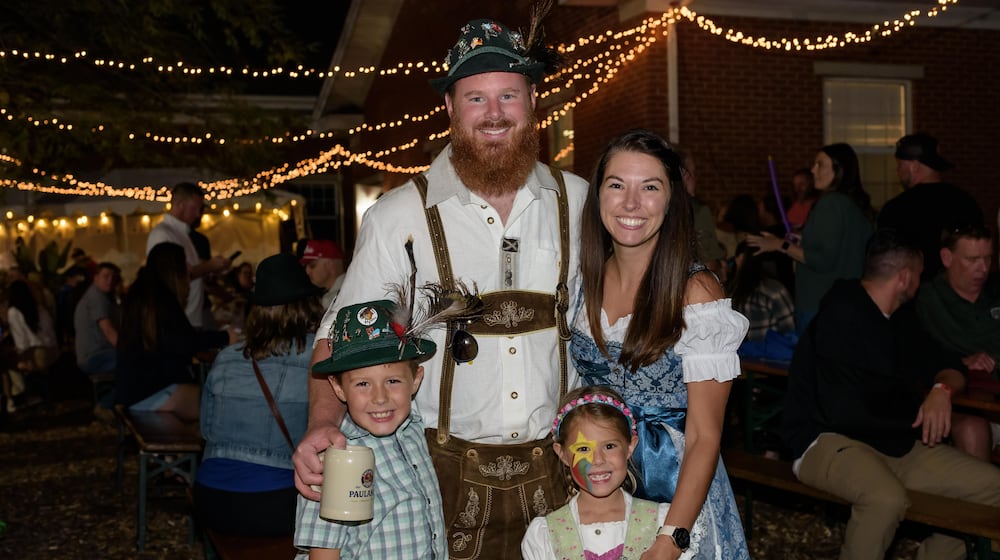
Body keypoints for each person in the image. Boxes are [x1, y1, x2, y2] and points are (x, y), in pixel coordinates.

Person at [293, 15, 587, 559]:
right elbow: (339, 338)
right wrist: (319, 426)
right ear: (450, 108)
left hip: (561, 474)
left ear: (533, 101)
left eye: (508, 96)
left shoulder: (580, 202)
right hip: (439, 481)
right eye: (475, 98)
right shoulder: (398, 214)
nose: (494, 114)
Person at [570, 129, 750, 559]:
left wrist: (672, 539)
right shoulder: (583, 282)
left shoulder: (696, 293)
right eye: (617, 185)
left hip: (674, 495)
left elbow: (705, 436)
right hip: (600, 484)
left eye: (650, 187)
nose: (631, 203)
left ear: (671, 201)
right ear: (598, 197)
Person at [781, 228, 1000, 560]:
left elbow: (950, 365)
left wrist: (941, 391)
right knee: (885, 498)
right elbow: (843, 410)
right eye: (920, 274)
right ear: (905, 277)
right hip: (824, 439)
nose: (921, 282)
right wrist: (911, 407)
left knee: (993, 488)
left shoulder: (902, 321)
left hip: (894, 444)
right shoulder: (841, 313)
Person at [294, 298, 445, 560]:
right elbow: (323, 553)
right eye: (363, 384)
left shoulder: (415, 429)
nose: (379, 398)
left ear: (416, 380)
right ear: (338, 388)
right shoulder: (335, 457)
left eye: (393, 381)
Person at [195, 253, 324, 537]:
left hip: (211, 497)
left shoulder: (226, 358)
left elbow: (205, 430)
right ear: (310, 305)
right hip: (274, 499)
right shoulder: (319, 358)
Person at [521, 385, 670, 559]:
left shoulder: (662, 523)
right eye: (583, 448)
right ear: (562, 454)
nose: (598, 459)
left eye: (609, 446)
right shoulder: (545, 535)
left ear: (630, 447)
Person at [746, 143, 873, 330]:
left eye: (820, 164)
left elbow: (822, 260)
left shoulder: (831, 203)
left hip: (821, 304)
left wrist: (781, 245)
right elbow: (838, 248)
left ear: (839, 170)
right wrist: (800, 241)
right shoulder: (853, 205)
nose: (813, 171)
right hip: (846, 303)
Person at [116, 242, 234, 420]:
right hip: (152, 393)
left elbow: (177, 338)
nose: (188, 268)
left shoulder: (143, 294)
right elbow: (185, 341)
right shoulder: (162, 299)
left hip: (135, 392)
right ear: (172, 267)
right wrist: (226, 336)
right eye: (184, 262)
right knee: (223, 408)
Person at [915, 224, 1000, 460]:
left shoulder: (995, 289)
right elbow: (918, 355)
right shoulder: (926, 301)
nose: (983, 268)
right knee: (972, 428)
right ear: (947, 257)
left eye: (988, 258)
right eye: (972, 259)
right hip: (963, 405)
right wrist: (960, 363)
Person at [878, 133, 983, 281]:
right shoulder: (967, 203)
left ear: (914, 166)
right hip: (959, 294)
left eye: (900, 164)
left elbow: (886, 264)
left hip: (913, 297)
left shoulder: (896, 210)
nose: (897, 171)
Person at [146, 182, 231, 328]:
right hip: (179, 318)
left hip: (191, 316)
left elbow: (192, 271)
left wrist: (211, 270)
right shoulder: (162, 234)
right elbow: (173, 275)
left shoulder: (182, 233)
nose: (198, 214)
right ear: (179, 204)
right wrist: (209, 266)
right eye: (195, 208)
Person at [678, 149, 726, 281]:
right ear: (684, 174)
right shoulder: (697, 211)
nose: (695, 178)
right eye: (693, 172)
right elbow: (709, 264)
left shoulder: (653, 209)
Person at [73, 262, 121, 376]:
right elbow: (108, 330)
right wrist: (128, 349)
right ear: (96, 277)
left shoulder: (105, 296)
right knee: (133, 361)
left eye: (113, 277)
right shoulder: (97, 297)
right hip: (94, 356)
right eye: (106, 276)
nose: (110, 280)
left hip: (99, 353)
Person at [299, 240, 346, 311]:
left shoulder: (339, 298)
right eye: (306, 266)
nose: (307, 271)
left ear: (329, 265)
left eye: (312, 265)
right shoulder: (329, 294)